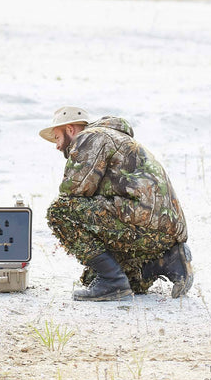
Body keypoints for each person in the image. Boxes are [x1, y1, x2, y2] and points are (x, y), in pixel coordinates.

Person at [40, 106, 192, 301]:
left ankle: (112, 281)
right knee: (98, 279)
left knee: (59, 211)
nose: (57, 146)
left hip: (142, 222)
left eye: (57, 138)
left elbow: (73, 191)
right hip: (161, 232)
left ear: (70, 129)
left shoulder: (90, 137)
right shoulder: (117, 139)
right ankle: (166, 260)